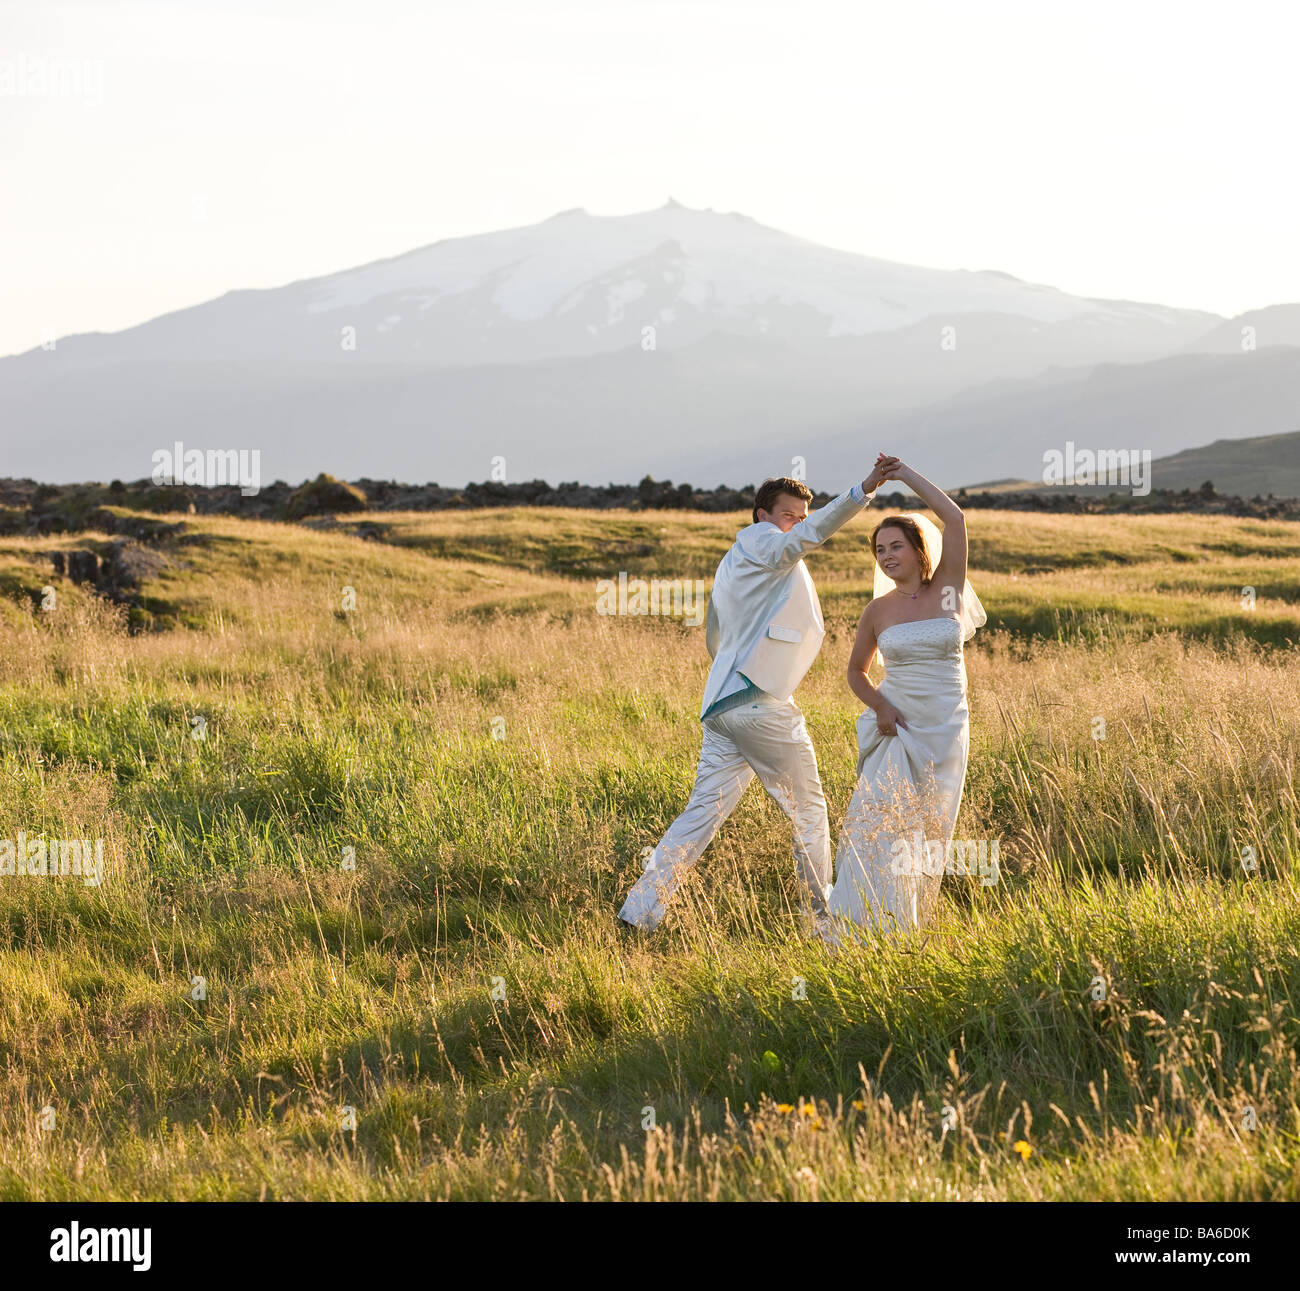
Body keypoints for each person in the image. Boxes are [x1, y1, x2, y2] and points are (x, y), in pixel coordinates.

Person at [618, 455, 901, 932]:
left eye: (800, 517)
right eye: (789, 515)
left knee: (701, 814)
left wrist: (736, 669)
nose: (797, 525)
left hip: (724, 703)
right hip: (758, 702)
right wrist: (864, 489)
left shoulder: (737, 560)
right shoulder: (763, 542)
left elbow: (716, 634)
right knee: (809, 810)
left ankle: (640, 911)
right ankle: (823, 920)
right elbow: (804, 540)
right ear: (762, 516)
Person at [818, 459, 987, 946]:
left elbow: (954, 519)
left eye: (895, 546)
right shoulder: (877, 610)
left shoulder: (948, 593)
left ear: (918, 550)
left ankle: (903, 929)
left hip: (946, 727)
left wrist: (902, 474)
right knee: (878, 821)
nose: (887, 556)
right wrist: (880, 707)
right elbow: (855, 671)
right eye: (878, 550)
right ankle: (854, 929)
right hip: (897, 726)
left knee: (928, 832)